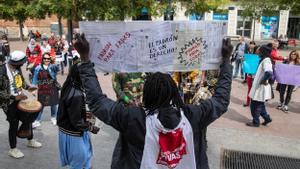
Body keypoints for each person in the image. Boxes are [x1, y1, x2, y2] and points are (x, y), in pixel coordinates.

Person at [74, 34, 233, 169]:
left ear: (146, 95)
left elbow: (97, 101)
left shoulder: (134, 119)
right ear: (174, 93)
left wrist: (85, 59)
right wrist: (226, 61)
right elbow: (221, 100)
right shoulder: (194, 116)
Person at [57, 59, 99, 169]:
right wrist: (91, 127)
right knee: (80, 161)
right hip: (73, 133)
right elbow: (76, 122)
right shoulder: (76, 95)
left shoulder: (70, 84)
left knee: (86, 159)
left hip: (70, 131)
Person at [0, 51, 42, 159]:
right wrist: (14, 97)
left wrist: (28, 87)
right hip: (8, 102)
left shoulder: (17, 68)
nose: (23, 64)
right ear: (16, 62)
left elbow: (21, 81)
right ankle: (13, 149)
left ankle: (30, 139)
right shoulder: (2, 71)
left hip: (20, 98)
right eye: (21, 63)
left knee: (30, 114)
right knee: (13, 123)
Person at [246, 45, 273, 127]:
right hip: (258, 86)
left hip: (260, 88)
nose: (257, 50)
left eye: (258, 49)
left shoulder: (266, 60)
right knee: (260, 105)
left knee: (254, 105)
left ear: (262, 51)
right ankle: (267, 118)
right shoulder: (263, 59)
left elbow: (269, 72)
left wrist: (263, 81)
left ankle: (256, 122)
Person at [31, 52, 60, 128]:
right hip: (42, 89)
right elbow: (34, 79)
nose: (46, 60)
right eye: (45, 58)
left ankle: (53, 117)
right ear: (42, 59)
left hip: (52, 88)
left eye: (48, 58)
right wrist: (33, 89)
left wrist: (55, 61)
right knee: (41, 105)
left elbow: (58, 69)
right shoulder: (38, 68)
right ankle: (37, 120)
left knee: (53, 104)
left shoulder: (52, 67)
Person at [243, 41, 259, 107]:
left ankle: (254, 102)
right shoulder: (251, 56)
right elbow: (247, 65)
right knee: (249, 89)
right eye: (258, 50)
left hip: (256, 76)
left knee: (255, 90)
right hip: (250, 75)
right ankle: (248, 102)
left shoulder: (261, 58)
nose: (258, 51)